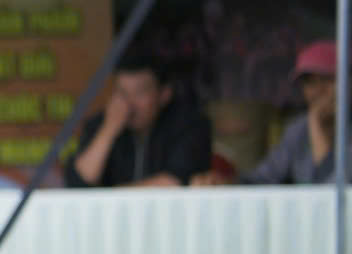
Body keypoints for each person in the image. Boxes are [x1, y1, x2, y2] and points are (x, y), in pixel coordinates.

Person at [67, 57, 213, 188]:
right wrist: (109, 130)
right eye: (122, 92)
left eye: (139, 92)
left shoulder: (189, 124)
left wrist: (112, 197)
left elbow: (176, 181)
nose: (130, 103)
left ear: (164, 94)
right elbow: (80, 182)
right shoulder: (100, 124)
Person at [224, 40, 338, 185]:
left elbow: (332, 189)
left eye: (326, 78)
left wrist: (316, 124)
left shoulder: (311, 122)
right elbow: (262, 179)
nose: (318, 90)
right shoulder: (299, 129)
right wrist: (225, 183)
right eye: (309, 82)